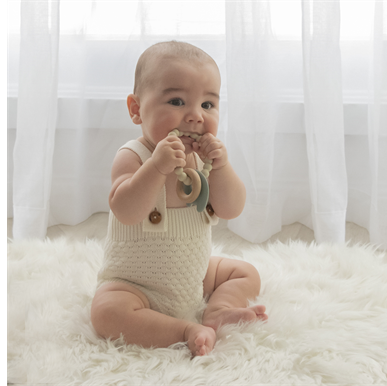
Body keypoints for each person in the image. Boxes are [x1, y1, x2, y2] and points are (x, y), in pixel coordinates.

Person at [91, 41, 268, 357]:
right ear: (136, 109)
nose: (195, 116)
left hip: (195, 276)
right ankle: (185, 330)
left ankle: (218, 310)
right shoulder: (134, 156)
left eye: (208, 105)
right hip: (135, 286)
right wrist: (156, 168)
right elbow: (126, 210)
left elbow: (232, 208)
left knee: (245, 273)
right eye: (176, 101)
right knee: (105, 311)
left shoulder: (204, 161)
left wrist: (222, 168)